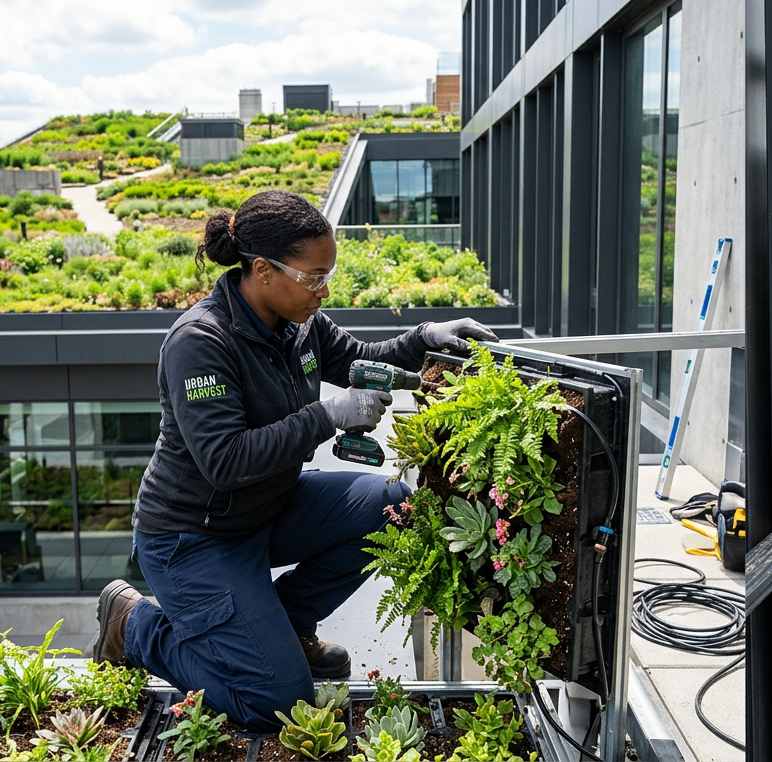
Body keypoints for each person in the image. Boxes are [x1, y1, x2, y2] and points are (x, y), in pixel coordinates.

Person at [84, 190, 498, 731]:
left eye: (328, 276)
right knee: (276, 703)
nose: (322, 292)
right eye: (312, 278)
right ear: (262, 270)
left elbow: (361, 360)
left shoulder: (299, 322)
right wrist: (328, 416)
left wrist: (426, 339)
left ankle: (291, 624)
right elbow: (225, 461)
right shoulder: (200, 342)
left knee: (395, 508)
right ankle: (135, 624)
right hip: (194, 538)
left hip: (268, 507)